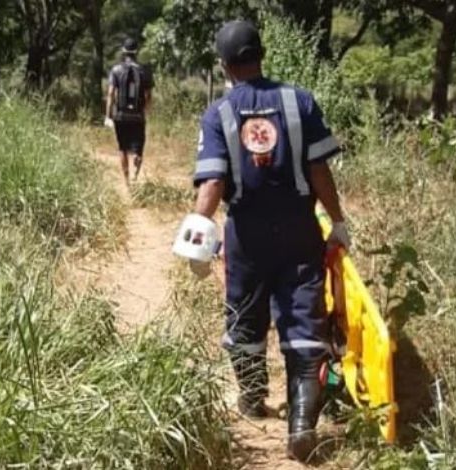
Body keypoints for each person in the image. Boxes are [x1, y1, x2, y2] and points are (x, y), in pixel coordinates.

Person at [189, 20, 351, 462]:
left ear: (224, 65)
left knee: (244, 313)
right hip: (300, 226)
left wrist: (197, 228)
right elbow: (320, 171)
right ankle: (301, 423)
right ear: (262, 54)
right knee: (304, 317)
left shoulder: (218, 113)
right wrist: (336, 220)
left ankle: (252, 397)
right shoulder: (300, 102)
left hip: (246, 231)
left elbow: (214, 182)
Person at [105, 38, 154, 185]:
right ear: (137, 52)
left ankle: (127, 182)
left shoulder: (116, 70)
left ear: (123, 52)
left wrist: (108, 116)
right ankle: (135, 176)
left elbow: (111, 94)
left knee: (123, 148)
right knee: (138, 149)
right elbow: (148, 96)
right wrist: (144, 110)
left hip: (120, 116)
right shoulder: (145, 71)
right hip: (138, 116)